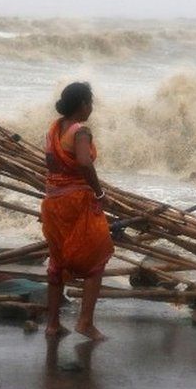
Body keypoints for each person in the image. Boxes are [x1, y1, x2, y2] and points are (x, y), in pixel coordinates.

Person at [41, 82, 114, 340]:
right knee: (98, 254)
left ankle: (52, 325)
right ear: (83, 104)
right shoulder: (80, 131)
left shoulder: (53, 129)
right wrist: (99, 192)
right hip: (77, 202)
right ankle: (85, 322)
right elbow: (83, 162)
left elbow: (51, 163)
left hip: (52, 203)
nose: (91, 108)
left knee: (57, 260)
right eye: (90, 103)